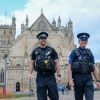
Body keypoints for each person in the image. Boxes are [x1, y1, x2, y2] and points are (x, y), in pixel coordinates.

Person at [29, 32, 61, 100]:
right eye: (41, 38)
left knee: (54, 96)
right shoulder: (35, 51)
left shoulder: (52, 50)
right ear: (39, 40)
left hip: (50, 76)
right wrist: (30, 73)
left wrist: (58, 75)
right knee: (41, 97)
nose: (43, 39)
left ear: (46, 39)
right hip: (40, 76)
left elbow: (57, 62)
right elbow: (32, 63)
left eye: (45, 38)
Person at [68, 32, 100, 100]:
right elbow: (69, 66)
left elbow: (93, 67)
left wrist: (97, 80)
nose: (84, 41)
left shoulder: (89, 53)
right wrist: (70, 79)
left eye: (85, 40)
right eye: (82, 40)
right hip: (77, 79)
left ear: (87, 41)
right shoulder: (74, 52)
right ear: (79, 41)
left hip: (88, 79)